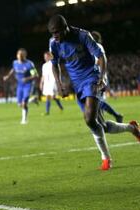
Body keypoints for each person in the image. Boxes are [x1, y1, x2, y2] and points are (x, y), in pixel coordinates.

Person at [47, 15, 140, 170]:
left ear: (65, 28)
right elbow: (55, 64)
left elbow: (101, 55)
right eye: (52, 33)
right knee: (101, 126)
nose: (55, 36)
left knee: (89, 120)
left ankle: (106, 159)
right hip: (77, 85)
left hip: (91, 78)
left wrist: (102, 77)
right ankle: (132, 128)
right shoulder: (54, 43)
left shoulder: (83, 36)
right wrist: (59, 84)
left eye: (57, 32)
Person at [91, 31, 123, 123]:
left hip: (97, 76)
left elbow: (98, 61)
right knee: (96, 101)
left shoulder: (95, 47)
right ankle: (101, 121)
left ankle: (116, 115)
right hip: (100, 76)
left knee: (96, 101)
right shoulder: (98, 47)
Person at [3, 48, 39, 124]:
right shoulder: (15, 63)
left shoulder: (29, 64)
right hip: (20, 85)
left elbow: (35, 75)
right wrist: (8, 76)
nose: (19, 57)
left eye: (21, 55)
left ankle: (24, 120)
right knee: (19, 104)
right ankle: (32, 100)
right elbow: (13, 69)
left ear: (24, 56)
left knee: (24, 103)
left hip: (28, 85)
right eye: (18, 55)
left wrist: (27, 78)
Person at [40, 51, 64, 115]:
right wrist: (41, 83)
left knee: (50, 96)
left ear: (50, 56)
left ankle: (48, 111)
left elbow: (59, 71)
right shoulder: (44, 65)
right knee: (51, 96)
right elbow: (43, 75)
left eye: (46, 56)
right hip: (46, 82)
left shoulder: (53, 63)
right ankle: (60, 107)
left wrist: (59, 80)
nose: (45, 58)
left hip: (53, 81)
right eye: (44, 57)